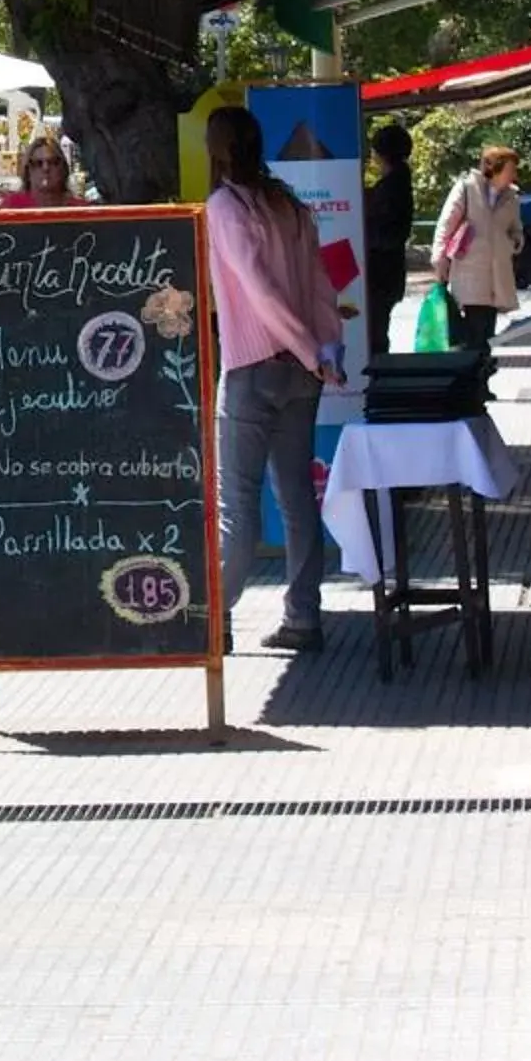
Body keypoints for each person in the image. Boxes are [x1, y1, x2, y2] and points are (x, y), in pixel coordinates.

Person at [205, 104, 345, 655]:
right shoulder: (287, 203)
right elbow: (320, 283)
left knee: (238, 505)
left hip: (250, 367)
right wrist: (324, 350)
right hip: (301, 374)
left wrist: (307, 348)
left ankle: (214, 619)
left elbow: (259, 291)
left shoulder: (223, 207)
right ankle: (303, 618)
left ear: (216, 150)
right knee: (296, 501)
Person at [431, 145, 526, 356]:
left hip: (497, 278)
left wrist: (515, 243)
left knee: (485, 336)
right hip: (470, 273)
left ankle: (480, 382)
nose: (514, 174)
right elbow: (445, 224)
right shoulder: (466, 188)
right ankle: (475, 384)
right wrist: (439, 259)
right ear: (495, 168)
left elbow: (516, 228)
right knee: (474, 336)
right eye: (511, 169)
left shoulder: (512, 197)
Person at [363, 121, 414, 364]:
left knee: (375, 337)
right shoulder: (399, 183)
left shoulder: (391, 188)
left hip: (380, 275)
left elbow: (387, 233)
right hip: (389, 275)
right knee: (378, 333)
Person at [0, 134, 74, 209]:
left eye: (52, 162)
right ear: (28, 170)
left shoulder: (79, 209)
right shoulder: (11, 206)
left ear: (63, 168)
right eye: (38, 163)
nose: (46, 168)